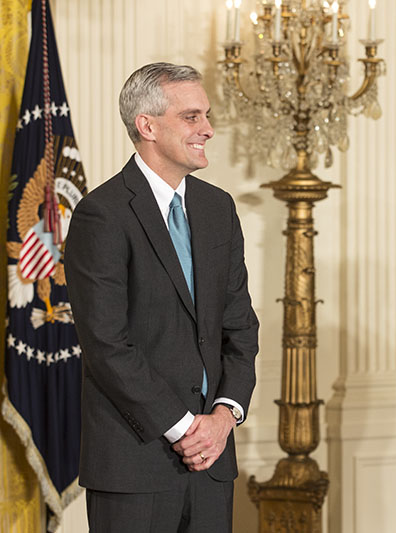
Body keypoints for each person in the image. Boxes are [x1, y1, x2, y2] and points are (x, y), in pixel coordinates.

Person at [64, 62, 259, 532]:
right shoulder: (101, 215)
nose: (208, 130)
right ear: (146, 125)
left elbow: (240, 327)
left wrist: (223, 417)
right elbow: (107, 344)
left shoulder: (218, 208)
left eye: (206, 116)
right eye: (192, 117)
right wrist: (183, 427)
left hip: (212, 460)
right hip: (135, 463)